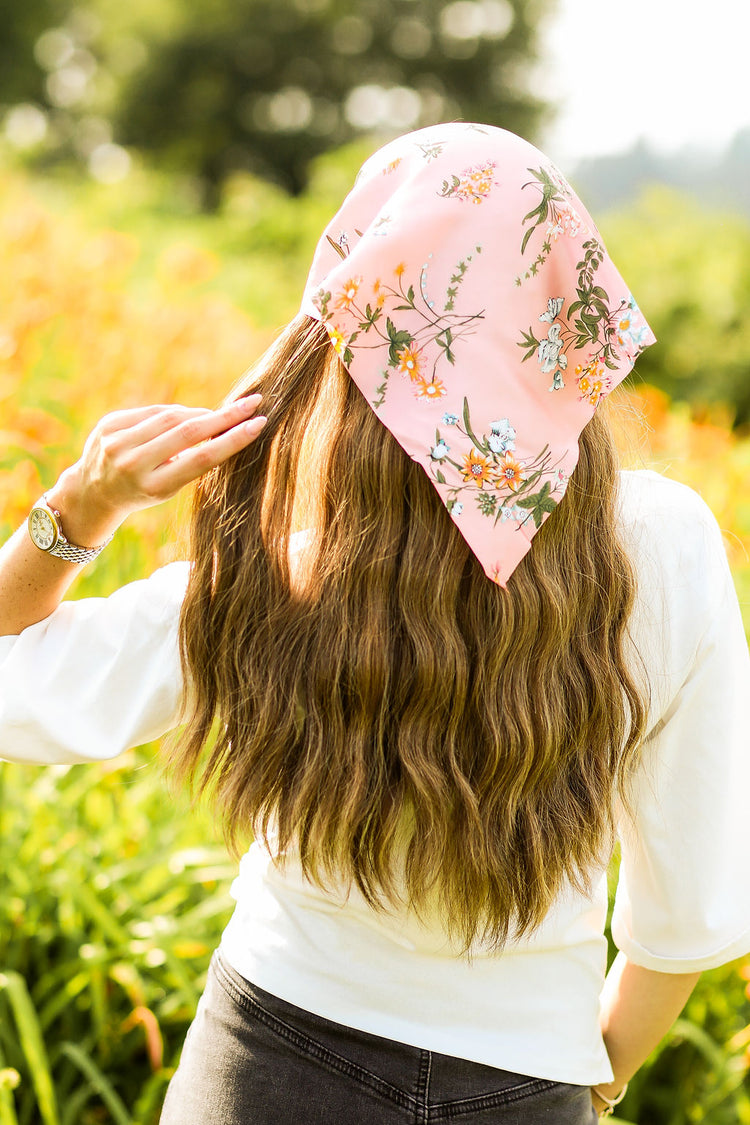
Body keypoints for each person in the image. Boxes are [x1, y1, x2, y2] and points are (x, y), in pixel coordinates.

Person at [2, 124, 750, 1125]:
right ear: (567, 307)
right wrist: (589, 1070)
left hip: (259, 1068)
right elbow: (690, 901)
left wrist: (75, 513)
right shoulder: (661, 542)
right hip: (529, 1086)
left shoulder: (288, 543)